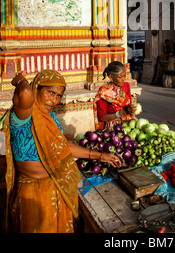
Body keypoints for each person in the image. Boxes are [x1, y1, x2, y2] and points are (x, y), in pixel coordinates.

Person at [2, 69, 121, 233]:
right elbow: (24, 92)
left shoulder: (51, 118)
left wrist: (101, 156)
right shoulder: (22, 118)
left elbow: (64, 146)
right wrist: (21, 80)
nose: (54, 100)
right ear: (36, 88)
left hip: (57, 187)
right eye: (50, 92)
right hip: (32, 195)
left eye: (58, 95)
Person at [93, 61, 137, 131]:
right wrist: (120, 113)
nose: (123, 79)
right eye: (120, 77)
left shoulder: (126, 86)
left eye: (124, 75)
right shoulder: (104, 92)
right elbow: (102, 117)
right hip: (114, 127)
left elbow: (129, 105)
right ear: (111, 77)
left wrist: (132, 109)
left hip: (129, 123)